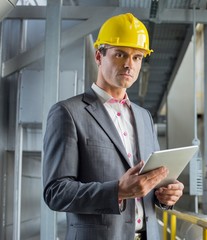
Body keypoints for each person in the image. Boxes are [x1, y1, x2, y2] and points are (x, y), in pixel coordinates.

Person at [42, 13, 184, 240]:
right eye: (120, 54)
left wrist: (164, 195)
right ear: (99, 56)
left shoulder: (144, 117)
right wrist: (117, 190)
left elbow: (147, 189)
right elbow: (56, 192)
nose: (129, 64)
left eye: (137, 57)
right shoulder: (68, 112)